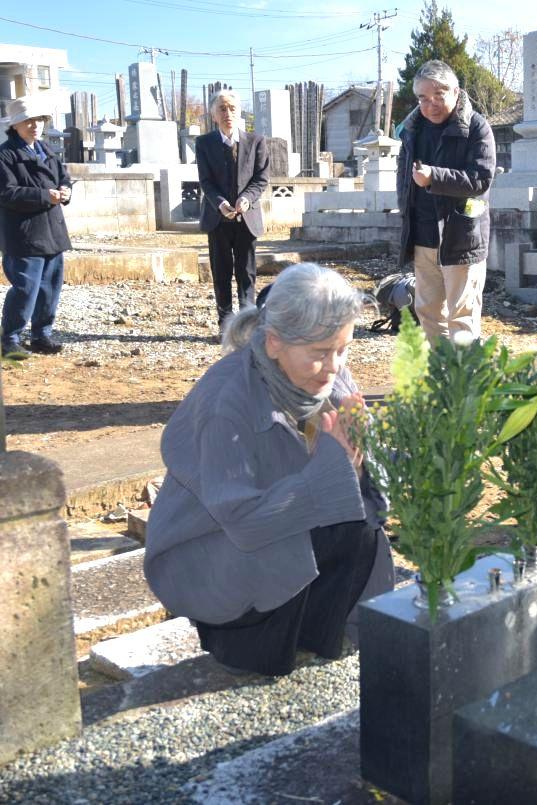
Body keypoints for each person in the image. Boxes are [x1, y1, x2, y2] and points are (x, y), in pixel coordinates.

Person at [144, 263, 394, 676]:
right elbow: (244, 521)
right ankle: (251, 646)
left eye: (343, 349)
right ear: (274, 342)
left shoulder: (329, 377)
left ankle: (314, 639)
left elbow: (360, 491)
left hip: (277, 522)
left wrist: (365, 454)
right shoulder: (227, 401)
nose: (334, 366)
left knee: (358, 526)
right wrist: (335, 466)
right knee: (306, 533)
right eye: (319, 354)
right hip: (213, 551)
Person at [396, 59, 496, 344]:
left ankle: (464, 384)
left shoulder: (477, 127)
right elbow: (404, 178)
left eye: (438, 95)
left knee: (462, 316)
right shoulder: (411, 129)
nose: (430, 105)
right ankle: (442, 378)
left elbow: (481, 179)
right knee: (427, 311)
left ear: (455, 91)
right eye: (423, 98)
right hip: (422, 236)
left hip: (461, 237)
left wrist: (434, 178)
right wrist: (405, 211)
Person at [0, 95, 73, 358]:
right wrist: (45, 196)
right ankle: (9, 339)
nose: (35, 125)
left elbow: (64, 177)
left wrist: (66, 190)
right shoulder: (5, 155)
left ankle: (42, 335)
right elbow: (6, 193)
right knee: (26, 288)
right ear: (15, 126)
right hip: (24, 231)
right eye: (28, 120)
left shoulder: (46, 150)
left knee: (50, 287)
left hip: (52, 229)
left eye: (39, 119)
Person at [195, 89, 269, 340]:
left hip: (247, 217)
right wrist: (220, 203)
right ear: (214, 114)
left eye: (232, 109)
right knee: (221, 272)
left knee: (246, 273)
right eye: (222, 109)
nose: (228, 113)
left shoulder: (256, 141)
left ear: (240, 113)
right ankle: (226, 326)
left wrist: (247, 198)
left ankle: (247, 326)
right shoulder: (204, 143)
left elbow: (261, 178)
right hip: (218, 218)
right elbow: (205, 180)